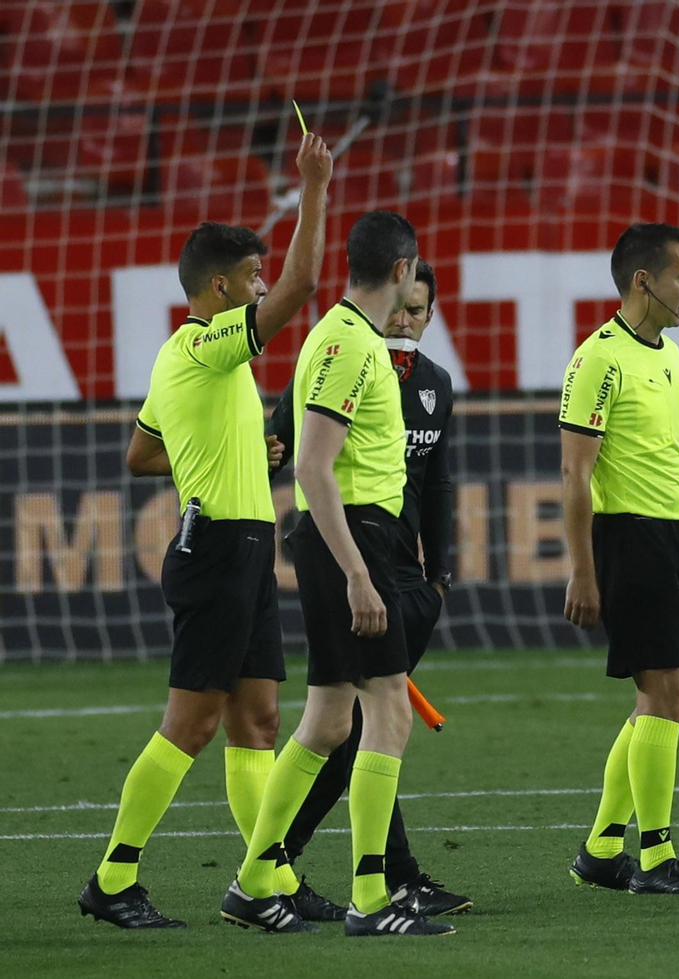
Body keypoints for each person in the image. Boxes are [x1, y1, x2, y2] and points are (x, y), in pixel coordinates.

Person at [76, 133, 330, 930]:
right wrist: (313, 187)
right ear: (219, 289)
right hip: (217, 548)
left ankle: (266, 880)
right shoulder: (200, 344)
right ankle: (113, 879)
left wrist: (235, 449)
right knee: (190, 724)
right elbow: (301, 287)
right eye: (250, 277)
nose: (261, 286)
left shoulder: (194, 366)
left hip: (245, 550)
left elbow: (141, 451)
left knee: (257, 719)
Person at [219, 210, 453, 937]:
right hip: (352, 539)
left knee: (326, 720)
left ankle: (256, 879)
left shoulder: (341, 335)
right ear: (402, 268)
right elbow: (314, 465)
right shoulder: (352, 343)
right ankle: (371, 897)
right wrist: (357, 570)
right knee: (389, 712)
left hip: (343, 540)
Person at [266, 258, 467, 920]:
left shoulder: (434, 384)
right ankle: (377, 880)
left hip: (402, 577)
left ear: (431, 315)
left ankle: (266, 870)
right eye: (399, 306)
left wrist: (439, 576)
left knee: (355, 721)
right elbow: (295, 442)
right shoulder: (348, 359)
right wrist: (269, 441)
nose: (404, 319)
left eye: (418, 310)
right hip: (356, 558)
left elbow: (438, 485)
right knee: (369, 720)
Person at [559, 223, 679, 895]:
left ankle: (604, 850)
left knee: (660, 698)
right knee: (664, 694)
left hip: (668, 539)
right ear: (643, 280)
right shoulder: (598, 358)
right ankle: (655, 858)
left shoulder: (669, 355)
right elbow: (575, 475)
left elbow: (677, 454)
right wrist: (582, 568)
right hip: (625, 537)